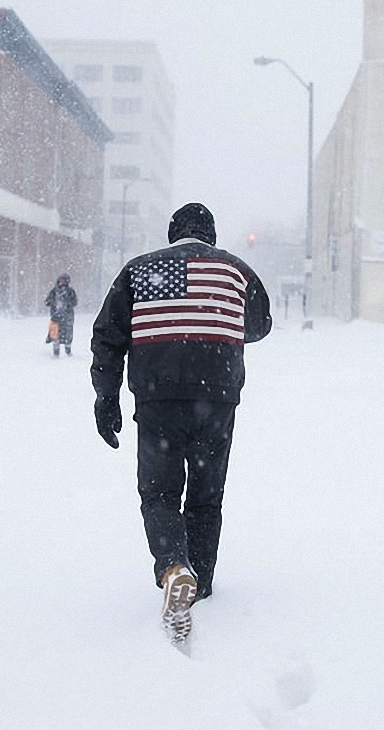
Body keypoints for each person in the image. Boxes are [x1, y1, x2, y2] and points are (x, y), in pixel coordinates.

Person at [90, 202, 271, 643]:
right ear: (210, 234)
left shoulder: (138, 271)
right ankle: (200, 583)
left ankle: (173, 565)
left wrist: (105, 396)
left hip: (158, 399)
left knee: (159, 492)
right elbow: (260, 325)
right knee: (206, 497)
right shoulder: (236, 271)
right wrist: (214, 320)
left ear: (173, 234)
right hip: (217, 398)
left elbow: (108, 337)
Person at [45, 273, 78, 357]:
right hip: (56, 317)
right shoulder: (54, 291)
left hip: (68, 317)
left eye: (64, 280)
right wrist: (53, 303)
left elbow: (74, 302)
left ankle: (68, 350)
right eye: (61, 280)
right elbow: (47, 302)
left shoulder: (70, 291)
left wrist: (67, 303)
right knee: (55, 333)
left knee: (68, 334)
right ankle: (56, 351)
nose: (62, 282)